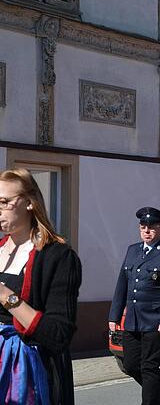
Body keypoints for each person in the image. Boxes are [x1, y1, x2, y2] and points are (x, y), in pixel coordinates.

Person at [0, 168, 82, 405]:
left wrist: (6, 296)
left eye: (4, 202)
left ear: (29, 202)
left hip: (29, 372)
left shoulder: (58, 256)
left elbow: (59, 334)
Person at [109, 207, 160, 405]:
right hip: (133, 319)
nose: (147, 231)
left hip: (156, 319)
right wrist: (114, 316)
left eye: (151, 228)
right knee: (131, 364)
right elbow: (122, 284)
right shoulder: (133, 250)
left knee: (149, 367)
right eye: (143, 227)